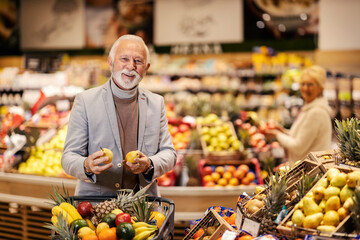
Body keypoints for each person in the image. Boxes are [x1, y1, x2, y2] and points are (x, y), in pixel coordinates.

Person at [61, 34, 177, 197]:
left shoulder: (156, 103)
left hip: (143, 206)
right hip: (96, 207)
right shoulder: (85, 101)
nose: (131, 66)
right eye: (124, 59)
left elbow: (169, 153)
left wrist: (150, 164)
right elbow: (68, 157)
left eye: (138, 61)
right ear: (110, 62)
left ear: (147, 67)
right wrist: (86, 165)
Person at [266, 65, 332, 166]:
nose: (305, 88)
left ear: (320, 89)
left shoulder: (316, 112)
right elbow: (300, 137)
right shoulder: (309, 107)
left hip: (311, 174)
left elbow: (298, 147)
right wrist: (283, 131)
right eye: (303, 84)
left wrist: (276, 134)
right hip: (305, 169)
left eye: (310, 85)